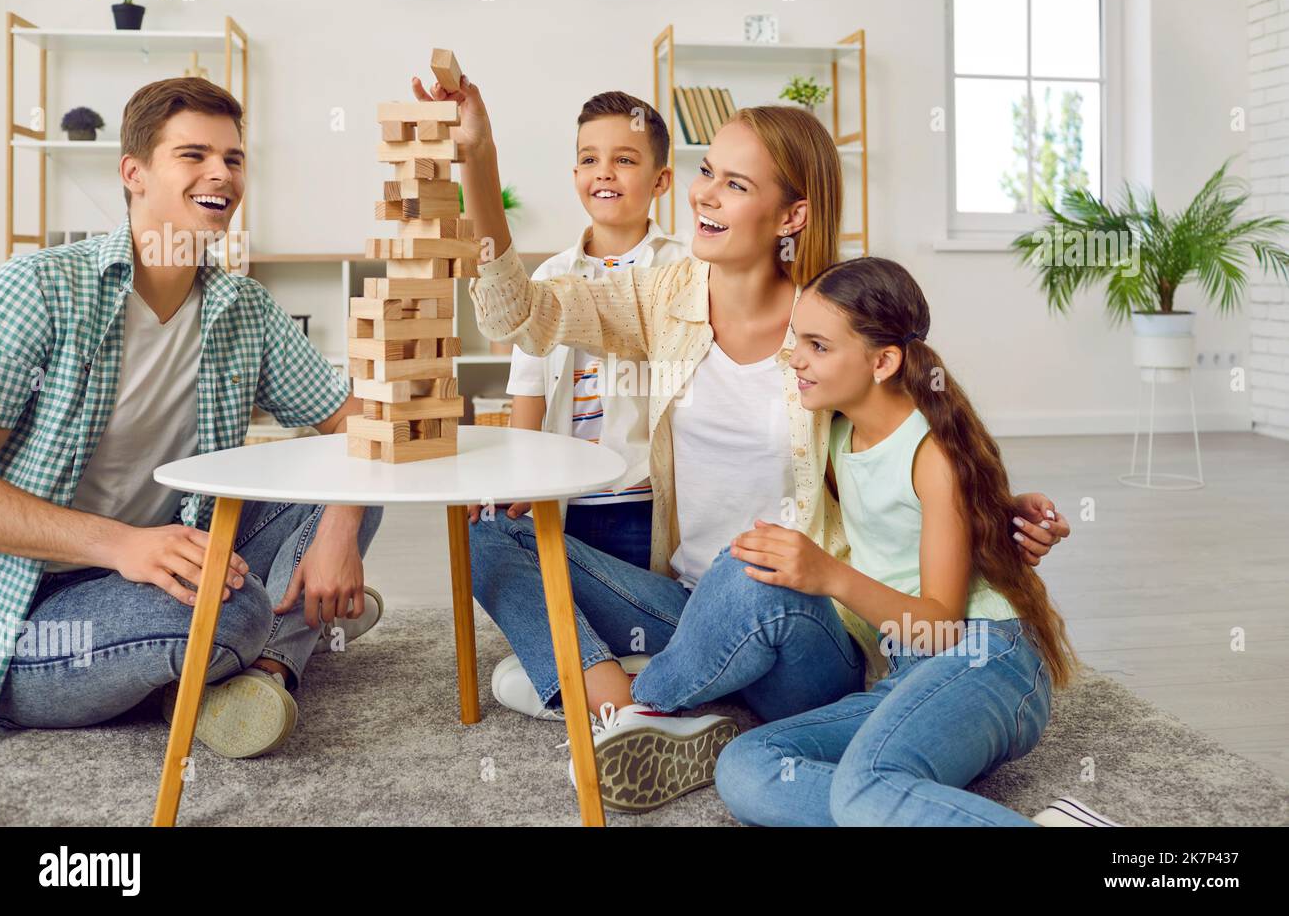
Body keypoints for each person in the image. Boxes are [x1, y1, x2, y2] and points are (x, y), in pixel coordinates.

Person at [414, 65, 1069, 813]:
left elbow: (917, 436)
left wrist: (995, 511)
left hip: (803, 622)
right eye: (706, 172)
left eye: (735, 184)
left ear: (790, 216)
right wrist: (478, 156)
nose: (704, 194)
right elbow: (518, 315)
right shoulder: (664, 297)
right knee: (492, 535)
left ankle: (629, 699)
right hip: (689, 604)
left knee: (751, 562)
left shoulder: (829, 322)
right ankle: (617, 694)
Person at [0, 77, 384, 758]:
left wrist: (340, 526)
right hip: (36, 612)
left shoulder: (242, 309)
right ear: (133, 173)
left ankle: (261, 671)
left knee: (353, 501)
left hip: (167, 559)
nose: (220, 175)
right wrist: (121, 545)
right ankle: (280, 637)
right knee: (236, 610)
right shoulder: (40, 290)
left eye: (232, 159)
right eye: (193, 154)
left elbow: (362, 423)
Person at [713, 257, 1112, 826]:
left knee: (866, 788)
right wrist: (999, 511)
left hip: (981, 656)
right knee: (749, 764)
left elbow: (941, 625)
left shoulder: (935, 453)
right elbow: (915, 521)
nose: (795, 357)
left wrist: (828, 575)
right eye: (796, 338)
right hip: (907, 671)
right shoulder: (840, 430)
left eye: (817, 345)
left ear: (883, 361)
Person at [470, 90, 690, 722]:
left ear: (660, 179)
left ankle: (586, 677)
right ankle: (617, 681)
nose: (604, 173)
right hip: (569, 507)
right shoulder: (546, 279)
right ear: (574, 176)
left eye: (624, 160)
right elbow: (529, 393)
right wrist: (519, 479)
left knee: (553, 636)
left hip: (640, 506)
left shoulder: (685, 270)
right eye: (589, 159)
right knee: (484, 532)